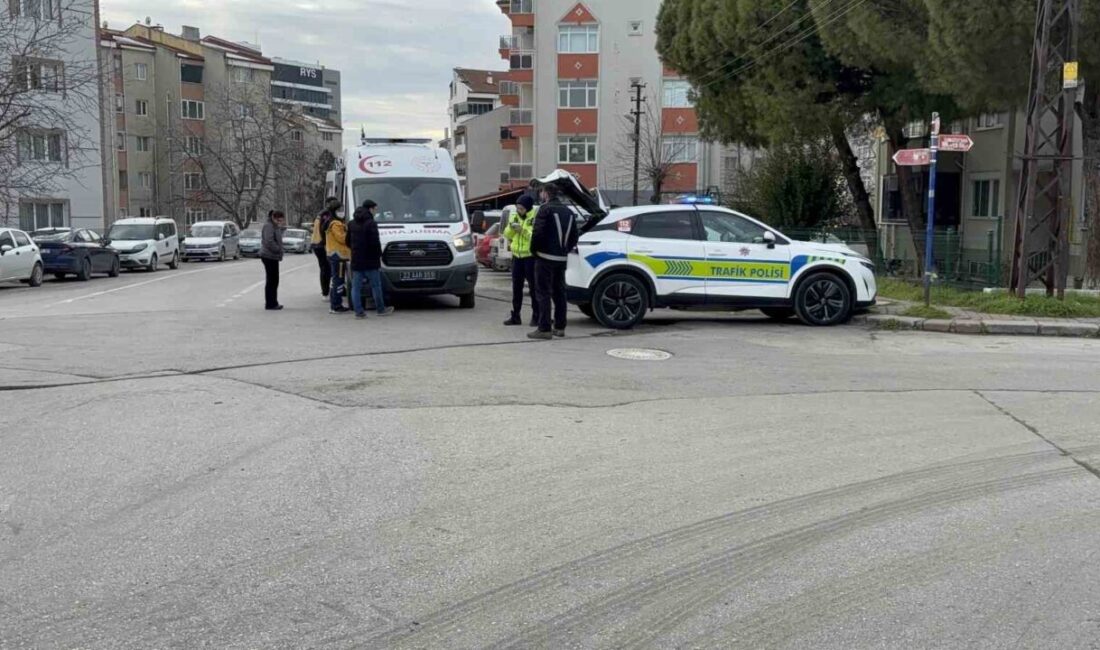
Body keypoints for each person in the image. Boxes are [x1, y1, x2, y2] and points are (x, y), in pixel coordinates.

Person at [528, 182, 578, 340]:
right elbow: (574, 236)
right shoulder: (569, 212)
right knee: (559, 292)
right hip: (561, 259)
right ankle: (560, 326)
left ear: (545, 193)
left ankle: (544, 328)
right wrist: (564, 250)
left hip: (544, 257)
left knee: (543, 292)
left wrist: (534, 250)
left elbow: (537, 233)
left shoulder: (545, 209)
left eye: (541, 192)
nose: (540, 195)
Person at [348, 199, 394, 319]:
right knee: (376, 286)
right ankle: (380, 309)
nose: (375, 212)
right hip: (370, 261)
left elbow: (347, 241)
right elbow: (375, 243)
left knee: (356, 287)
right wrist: (379, 255)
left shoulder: (351, 223)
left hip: (357, 259)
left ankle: (359, 312)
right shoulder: (371, 223)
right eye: (375, 209)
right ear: (370, 209)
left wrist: (354, 251)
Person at [501, 195, 539, 326]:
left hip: (530, 257)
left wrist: (522, 231)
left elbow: (535, 237)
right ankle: (515, 315)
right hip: (517, 256)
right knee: (516, 288)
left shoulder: (534, 217)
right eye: (517, 208)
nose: (519, 210)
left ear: (527, 208)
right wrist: (512, 227)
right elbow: (506, 234)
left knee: (534, 288)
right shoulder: (515, 215)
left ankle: (536, 316)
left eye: (521, 208)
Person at [311, 197, 340, 299]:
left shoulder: (321, 213)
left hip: (316, 243)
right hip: (320, 244)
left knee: (325, 268)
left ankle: (326, 291)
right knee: (326, 269)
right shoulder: (326, 214)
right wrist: (325, 243)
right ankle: (325, 293)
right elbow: (323, 229)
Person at [259, 210, 286, 311]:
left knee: (274, 280)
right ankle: (270, 304)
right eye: (279, 220)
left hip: (273, 256)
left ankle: (273, 302)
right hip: (268, 256)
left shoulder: (273, 225)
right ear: (274, 218)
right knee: (272, 280)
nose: (280, 222)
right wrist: (278, 249)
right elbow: (269, 241)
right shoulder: (269, 226)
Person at [326, 209, 352, 314]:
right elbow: (342, 238)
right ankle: (336, 305)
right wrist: (349, 233)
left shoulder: (333, 222)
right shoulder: (336, 224)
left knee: (336, 281)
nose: (342, 212)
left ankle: (335, 304)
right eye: (339, 210)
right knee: (338, 281)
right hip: (338, 256)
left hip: (335, 255)